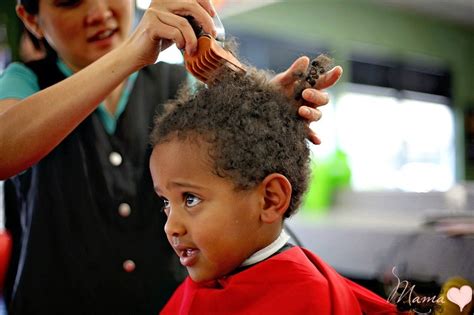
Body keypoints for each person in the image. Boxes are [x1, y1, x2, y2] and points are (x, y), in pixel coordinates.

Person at [0, 0, 342, 314]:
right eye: (70, 0)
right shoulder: (24, 81)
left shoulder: (182, 85)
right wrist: (132, 52)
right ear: (31, 18)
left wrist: (265, 113)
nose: (99, 11)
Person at [149, 66, 399, 314]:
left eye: (190, 199)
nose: (171, 227)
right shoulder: (201, 285)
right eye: (165, 203)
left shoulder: (308, 300)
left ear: (270, 199)